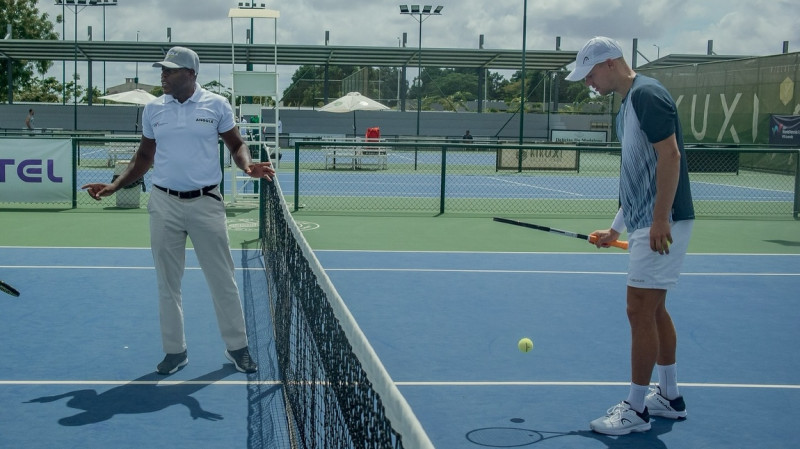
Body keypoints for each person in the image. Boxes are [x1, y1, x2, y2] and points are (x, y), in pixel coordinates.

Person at [82, 46, 275, 375]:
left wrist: (246, 166)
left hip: (206, 203)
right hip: (164, 204)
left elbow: (236, 144)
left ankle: (237, 348)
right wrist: (116, 185)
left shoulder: (217, 105)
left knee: (222, 280)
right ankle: (175, 352)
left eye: (170, 70)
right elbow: (144, 156)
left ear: (190, 74)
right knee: (167, 283)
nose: (163, 75)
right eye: (163, 69)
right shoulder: (154, 109)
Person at [564, 37, 695, 436]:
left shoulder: (647, 95)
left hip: (661, 222)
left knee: (638, 309)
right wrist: (616, 228)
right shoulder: (628, 105)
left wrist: (660, 220)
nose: (588, 82)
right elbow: (636, 176)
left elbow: (669, 156)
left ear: (608, 63)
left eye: (589, 73)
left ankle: (636, 409)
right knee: (653, 310)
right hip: (647, 221)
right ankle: (668, 398)